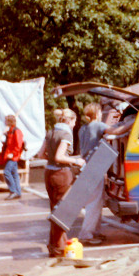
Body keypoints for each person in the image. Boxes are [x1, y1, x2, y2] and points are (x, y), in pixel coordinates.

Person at [77, 103, 135, 245]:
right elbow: (116, 132)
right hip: (95, 166)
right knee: (94, 204)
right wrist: (133, 122)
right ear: (97, 113)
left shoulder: (83, 128)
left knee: (95, 202)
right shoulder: (97, 125)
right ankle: (86, 235)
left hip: (86, 166)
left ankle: (95, 232)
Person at [37, 108, 86, 257]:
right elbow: (59, 156)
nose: (74, 125)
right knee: (62, 213)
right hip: (61, 175)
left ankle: (56, 245)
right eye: (74, 122)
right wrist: (76, 161)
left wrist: (53, 159)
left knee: (54, 210)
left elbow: (41, 154)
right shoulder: (66, 134)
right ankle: (58, 249)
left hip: (48, 173)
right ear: (70, 120)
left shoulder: (51, 132)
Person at [0, 115, 25, 200]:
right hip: (10, 155)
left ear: (9, 121)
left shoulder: (16, 131)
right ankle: (18, 192)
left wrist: (13, 154)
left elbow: (19, 145)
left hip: (13, 156)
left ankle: (13, 191)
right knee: (14, 174)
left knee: (7, 172)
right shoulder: (10, 131)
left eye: (6, 120)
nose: (4, 122)